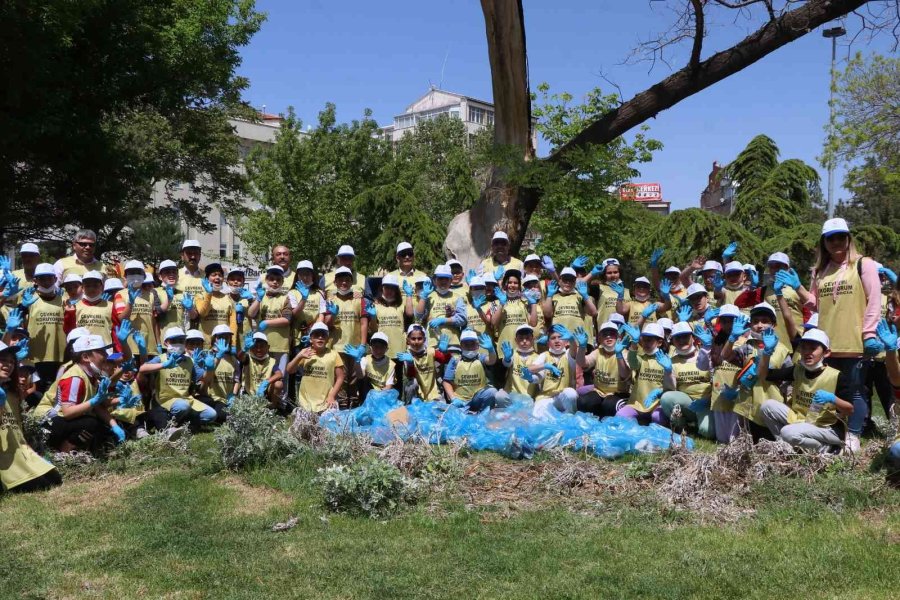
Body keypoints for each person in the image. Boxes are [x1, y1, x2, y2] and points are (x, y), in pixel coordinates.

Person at [784, 218, 882, 453]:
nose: (837, 242)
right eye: (831, 238)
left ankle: (854, 434)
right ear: (824, 242)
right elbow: (817, 304)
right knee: (834, 392)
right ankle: (833, 432)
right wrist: (799, 288)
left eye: (841, 237)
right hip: (827, 343)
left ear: (849, 239)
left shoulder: (863, 265)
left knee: (856, 390)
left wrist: (869, 333)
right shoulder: (820, 271)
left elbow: (875, 301)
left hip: (855, 341)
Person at [757, 329, 854, 452]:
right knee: (767, 406)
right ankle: (790, 449)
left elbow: (850, 409)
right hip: (800, 419)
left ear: (827, 352)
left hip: (827, 427)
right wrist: (767, 352)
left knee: (787, 432)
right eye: (804, 348)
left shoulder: (837, 376)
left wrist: (832, 398)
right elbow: (763, 375)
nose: (807, 353)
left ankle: (827, 448)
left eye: (813, 348)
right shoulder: (798, 370)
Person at [34, 334, 125, 451]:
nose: (106, 355)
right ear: (86, 357)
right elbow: (67, 412)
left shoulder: (92, 376)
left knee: (102, 427)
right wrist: (94, 401)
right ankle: (63, 453)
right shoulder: (75, 378)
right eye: (101, 351)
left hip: (59, 421)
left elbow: (99, 407)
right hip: (47, 422)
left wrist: (114, 426)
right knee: (91, 424)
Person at [721, 303, 793, 441]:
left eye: (765, 321)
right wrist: (731, 339)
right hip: (747, 406)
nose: (759, 325)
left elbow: (788, 383)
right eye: (755, 322)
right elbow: (725, 356)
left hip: (770, 405)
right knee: (748, 443)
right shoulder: (747, 346)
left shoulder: (782, 350)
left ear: (774, 324)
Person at [0, 342, 62, 492]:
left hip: (19, 453)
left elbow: (17, 431)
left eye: (12, 362)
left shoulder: (11, 393)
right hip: (3, 459)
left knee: (54, 479)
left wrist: (34, 454)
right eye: (3, 360)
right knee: (41, 485)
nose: (8, 365)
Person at [139, 327, 216, 432]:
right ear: (166, 343)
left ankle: (180, 424)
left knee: (211, 415)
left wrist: (210, 368)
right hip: (164, 400)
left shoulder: (190, 361)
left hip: (186, 399)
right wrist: (164, 365)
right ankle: (172, 423)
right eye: (174, 341)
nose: (178, 344)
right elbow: (142, 369)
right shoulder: (161, 358)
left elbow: (203, 378)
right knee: (182, 407)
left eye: (181, 341)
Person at [659, 322, 715, 440]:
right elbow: (670, 389)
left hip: (706, 403)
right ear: (672, 341)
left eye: (685, 336)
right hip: (687, 402)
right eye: (677, 338)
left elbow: (715, 382)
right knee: (666, 397)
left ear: (693, 338)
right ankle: (681, 426)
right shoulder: (671, 361)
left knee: (707, 432)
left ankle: (701, 422)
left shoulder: (704, 355)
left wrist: (707, 400)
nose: (681, 340)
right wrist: (668, 371)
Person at [248, 265, 292, 407]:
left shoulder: (285, 298)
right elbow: (251, 313)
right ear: (266, 280)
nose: (274, 282)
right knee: (261, 374)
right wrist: (258, 300)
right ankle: (258, 403)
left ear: (282, 282)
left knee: (280, 377)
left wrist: (267, 322)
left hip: (280, 344)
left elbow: (287, 319)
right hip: (261, 345)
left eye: (278, 280)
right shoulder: (260, 296)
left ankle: (279, 405)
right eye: (271, 279)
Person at [615, 322, 674, 426]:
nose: (645, 343)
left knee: (657, 418)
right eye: (644, 340)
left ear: (659, 342)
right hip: (637, 404)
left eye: (649, 340)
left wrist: (668, 372)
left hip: (657, 404)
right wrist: (634, 343)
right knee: (620, 417)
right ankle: (643, 420)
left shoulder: (666, 360)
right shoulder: (642, 358)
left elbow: (671, 388)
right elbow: (633, 363)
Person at [23, 263, 66, 393]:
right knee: (38, 391)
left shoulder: (63, 298)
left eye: (49, 278)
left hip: (60, 354)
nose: (46, 281)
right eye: (42, 278)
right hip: (36, 356)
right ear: (35, 280)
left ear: (55, 279)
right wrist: (23, 307)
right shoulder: (30, 299)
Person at [576, 321, 631, 418]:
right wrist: (582, 347)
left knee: (609, 405)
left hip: (620, 393)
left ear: (618, 337)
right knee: (583, 402)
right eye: (605, 335)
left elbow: (624, 375)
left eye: (612, 334)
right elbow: (582, 363)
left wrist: (619, 355)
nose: (608, 337)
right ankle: (596, 421)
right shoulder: (598, 352)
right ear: (600, 339)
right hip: (599, 392)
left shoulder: (625, 353)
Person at [523, 324, 579, 419]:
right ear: (548, 343)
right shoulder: (544, 355)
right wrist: (545, 366)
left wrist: (572, 340)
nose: (557, 341)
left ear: (566, 342)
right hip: (545, 397)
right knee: (537, 418)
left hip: (562, 397)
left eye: (560, 337)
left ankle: (570, 419)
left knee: (571, 393)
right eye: (553, 338)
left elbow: (574, 350)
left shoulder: (567, 354)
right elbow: (529, 369)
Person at [286, 322, 344, 412]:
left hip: (327, 400)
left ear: (328, 339)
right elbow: (289, 370)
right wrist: (299, 356)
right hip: (305, 402)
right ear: (310, 339)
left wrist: (332, 395)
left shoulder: (334, 354)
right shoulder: (305, 352)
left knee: (327, 425)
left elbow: (340, 377)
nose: (320, 337)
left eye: (323, 335)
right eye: (316, 335)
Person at [442, 329, 498, 412]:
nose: (469, 347)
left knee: (492, 392)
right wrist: (453, 398)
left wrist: (491, 350)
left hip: (478, 398)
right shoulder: (455, 360)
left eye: (472, 344)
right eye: (466, 344)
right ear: (461, 346)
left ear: (478, 345)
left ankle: (484, 413)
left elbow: (491, 361)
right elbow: (446, 381)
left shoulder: (481, 358)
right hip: (461, 401)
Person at [114, 263, 160, 360]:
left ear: (144, 276)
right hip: (130, 347)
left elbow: (154, 321)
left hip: (150, 348)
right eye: (131, 273)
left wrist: (158, 343)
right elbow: (121, 319)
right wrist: (130, 303)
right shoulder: (120, 294)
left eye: (138, 272)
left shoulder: (151, 295)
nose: (135, 275)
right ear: (125, 276)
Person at [396, 324, 451, 402]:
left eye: (419, 338)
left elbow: (446, 361)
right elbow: (409, 376)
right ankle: (410, 405)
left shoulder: (431, 351)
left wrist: (445, 352)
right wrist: (411, 364)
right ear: (408, 340)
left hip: (433, 393)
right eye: (413, 339)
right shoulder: (406, 355)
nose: (416, 342)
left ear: (424, 339)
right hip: (416, 394)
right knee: (411, 383)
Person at [196, 324, 239, 423]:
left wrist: (234, 395)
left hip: (227, 399)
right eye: (220, 337)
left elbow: (236, 380)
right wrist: (218, 357)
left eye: (227, 337)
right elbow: (204, 380)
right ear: (214, 339)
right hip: (211, 398)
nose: (224, 339)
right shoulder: (206, 355)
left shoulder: (233, 359)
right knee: (225, 416)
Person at [418, 264, 466, 350]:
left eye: (446, 279)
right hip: (432, 345)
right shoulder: (429, 297)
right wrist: (423, 296)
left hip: (453, 344)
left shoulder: (457, 297)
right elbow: (418, 316)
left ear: (451, 280)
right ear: (434, 280)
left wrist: (443, 320)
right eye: (440, 278)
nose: (443, 281)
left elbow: (462, 319)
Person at [65, 270, 119, 347]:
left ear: (102, 287)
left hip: (105, 352)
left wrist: (118, 351)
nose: (91, 289)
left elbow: (115, 331)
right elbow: (69, 332)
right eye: (88, 286)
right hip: (81, 351)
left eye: (95, 286)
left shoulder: (110, 306)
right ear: (83, 288)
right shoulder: (75, 307)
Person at [543, 266, 598, 334]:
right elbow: (547, 314)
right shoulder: (553, 296)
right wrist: (549, 295)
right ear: (559, 281)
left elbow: (593, 313)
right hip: (558, 337)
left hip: (577, 338)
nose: (568, 282)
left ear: (575, 282)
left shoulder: (580, 297)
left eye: (571, 280)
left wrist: (585, 296)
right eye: (565, 279)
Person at [366, 273, 412, 356]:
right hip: (381, 351)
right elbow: (373, 331)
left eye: (392, 288)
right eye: (387, 287)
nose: (389, 290)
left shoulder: (402, 305)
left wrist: (409, 295)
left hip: (399, 351)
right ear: (382, 288)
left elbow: (410, 316)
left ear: (396, 290)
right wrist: (372, 317)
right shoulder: (375, 306)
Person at [239, 331, 285, 411]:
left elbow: (279, 374)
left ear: (268, 347)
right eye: (255, 346)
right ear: (251, 347)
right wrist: (243, 350)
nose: (258, 349)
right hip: (249, 393)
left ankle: (272, 407)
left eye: (262, 346)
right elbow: (239, 358)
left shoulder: (271, 361)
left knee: (279, 384)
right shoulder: (247, 358)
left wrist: (266, 382)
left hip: (264, 393)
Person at [192, 262, 237, 342]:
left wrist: (233, 343)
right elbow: (203, 312)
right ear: (206, 279)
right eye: (214, 275)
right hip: (205, 344)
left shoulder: (228, 298)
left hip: (223, 344)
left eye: (220, 275)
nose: (217, 277)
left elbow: (233, 323)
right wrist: (209, 294)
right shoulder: (199, 296)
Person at [496, 324, 540, 404]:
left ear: (533, 340)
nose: (524, 341)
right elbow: (507, 364)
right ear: (516, 340)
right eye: (521, 338)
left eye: (527, 338)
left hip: (528, 397)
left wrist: (531, 378)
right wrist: (507, 358)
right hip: (512, 394)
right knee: (499, 396)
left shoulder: (538, 357)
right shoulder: (512, 354)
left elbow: (539, 377)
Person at [590, 258, 630, 325]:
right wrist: (591, 274)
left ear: (620, 273)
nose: (613, 275)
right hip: (603, 331)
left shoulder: (628, 291)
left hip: (622, 331)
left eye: (615, 272)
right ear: (604, 274)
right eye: (609, 273)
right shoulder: (598, 288)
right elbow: (578, 285)